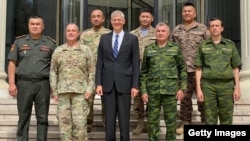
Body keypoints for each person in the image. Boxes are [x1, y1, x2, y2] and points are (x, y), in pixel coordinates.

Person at [7, 15, 56, 141]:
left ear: (43, 26)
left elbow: (55, 67)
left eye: (38, 24)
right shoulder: (19, 42)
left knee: (42, 118)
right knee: (23, 117)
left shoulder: (51, 44)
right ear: (28, 26)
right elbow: (12, 64)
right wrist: (12, 84)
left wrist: (53, 86)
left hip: (43, 85)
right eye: (32, 24)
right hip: (24, 84)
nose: (35, 26)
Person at [95, 10, 140, 141]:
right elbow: (100, 62)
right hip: (107, 84)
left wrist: (135, 85)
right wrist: (98, 83)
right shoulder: (104, 38)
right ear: (110, 22)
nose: (117, 21)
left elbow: (135, 63)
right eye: (114, 19)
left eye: (119, 19)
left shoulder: (132, 39)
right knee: (109, 120)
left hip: (125, 84)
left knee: (124, 120)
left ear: (124, 21)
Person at [140, 22, 187, 141]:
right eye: (158, 31)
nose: (160, 33)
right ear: (155, 33)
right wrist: (144, 91)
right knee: (152, 122)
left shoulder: (175, 49)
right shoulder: (149, 49)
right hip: (153, 91)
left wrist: (182, 88)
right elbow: (144, 72)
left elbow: (182, 69)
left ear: (168, 33)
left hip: (170, 91)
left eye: (163, 31)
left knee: (171, 123)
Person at [50, 23, 95, 141]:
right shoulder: (58, 50)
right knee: (64, 126)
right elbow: (53, 72)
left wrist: (90, 89)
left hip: (81, 93)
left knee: (79, 126)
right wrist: (54, 91)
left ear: (78, 33)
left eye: (73, 31)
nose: (70, 33)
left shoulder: (86, 50)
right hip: (63, 92)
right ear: (65, 33)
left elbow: (92, 72)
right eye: (68, 31)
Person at [170, 2, 210, 134]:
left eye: (189, 11)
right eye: (184, 11)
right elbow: (171, 49)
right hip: (182, 71)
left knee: (202, 97)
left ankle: (205, 121)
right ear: (182, 13)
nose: (187, 13)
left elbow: (209, 48)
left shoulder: (203, 29)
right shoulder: (176, 30)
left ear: (195, 13)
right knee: (185, 99)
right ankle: (185, 122)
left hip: (199, 71)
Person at [194, 18, 242, 125]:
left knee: (227, 117)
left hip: (226, 86)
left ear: (222, 28)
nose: (214, 28)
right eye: (212, 26)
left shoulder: (230, 45)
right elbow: (198, 68)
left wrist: (237, 88)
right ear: (209, 29)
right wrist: (199, 88)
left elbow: (235, 67)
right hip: (208, 86)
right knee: (210, 118)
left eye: (217, 26)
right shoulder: (203, 46)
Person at [80, 9, 111, 132]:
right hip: (89, 72)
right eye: (93, 16)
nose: (96, 18)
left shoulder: (109, 33)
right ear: (90, 19)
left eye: (99, 16)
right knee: (88, 99)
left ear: (103, 19)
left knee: (107, 100)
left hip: (106, 71)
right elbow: (81, 52)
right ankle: (88, 124)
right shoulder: (84, 35)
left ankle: (107, 123)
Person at [130, 8, 156, 135]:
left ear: (152, 19)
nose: (145, 19)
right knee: (137, 100)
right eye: (143, 17)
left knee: (152, 99)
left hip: (153, 72)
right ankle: (140, 123)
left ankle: (151, 123)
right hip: (136, 72)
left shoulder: (158, 33)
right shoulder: (132, 34)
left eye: (147, 17)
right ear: (139, 18)